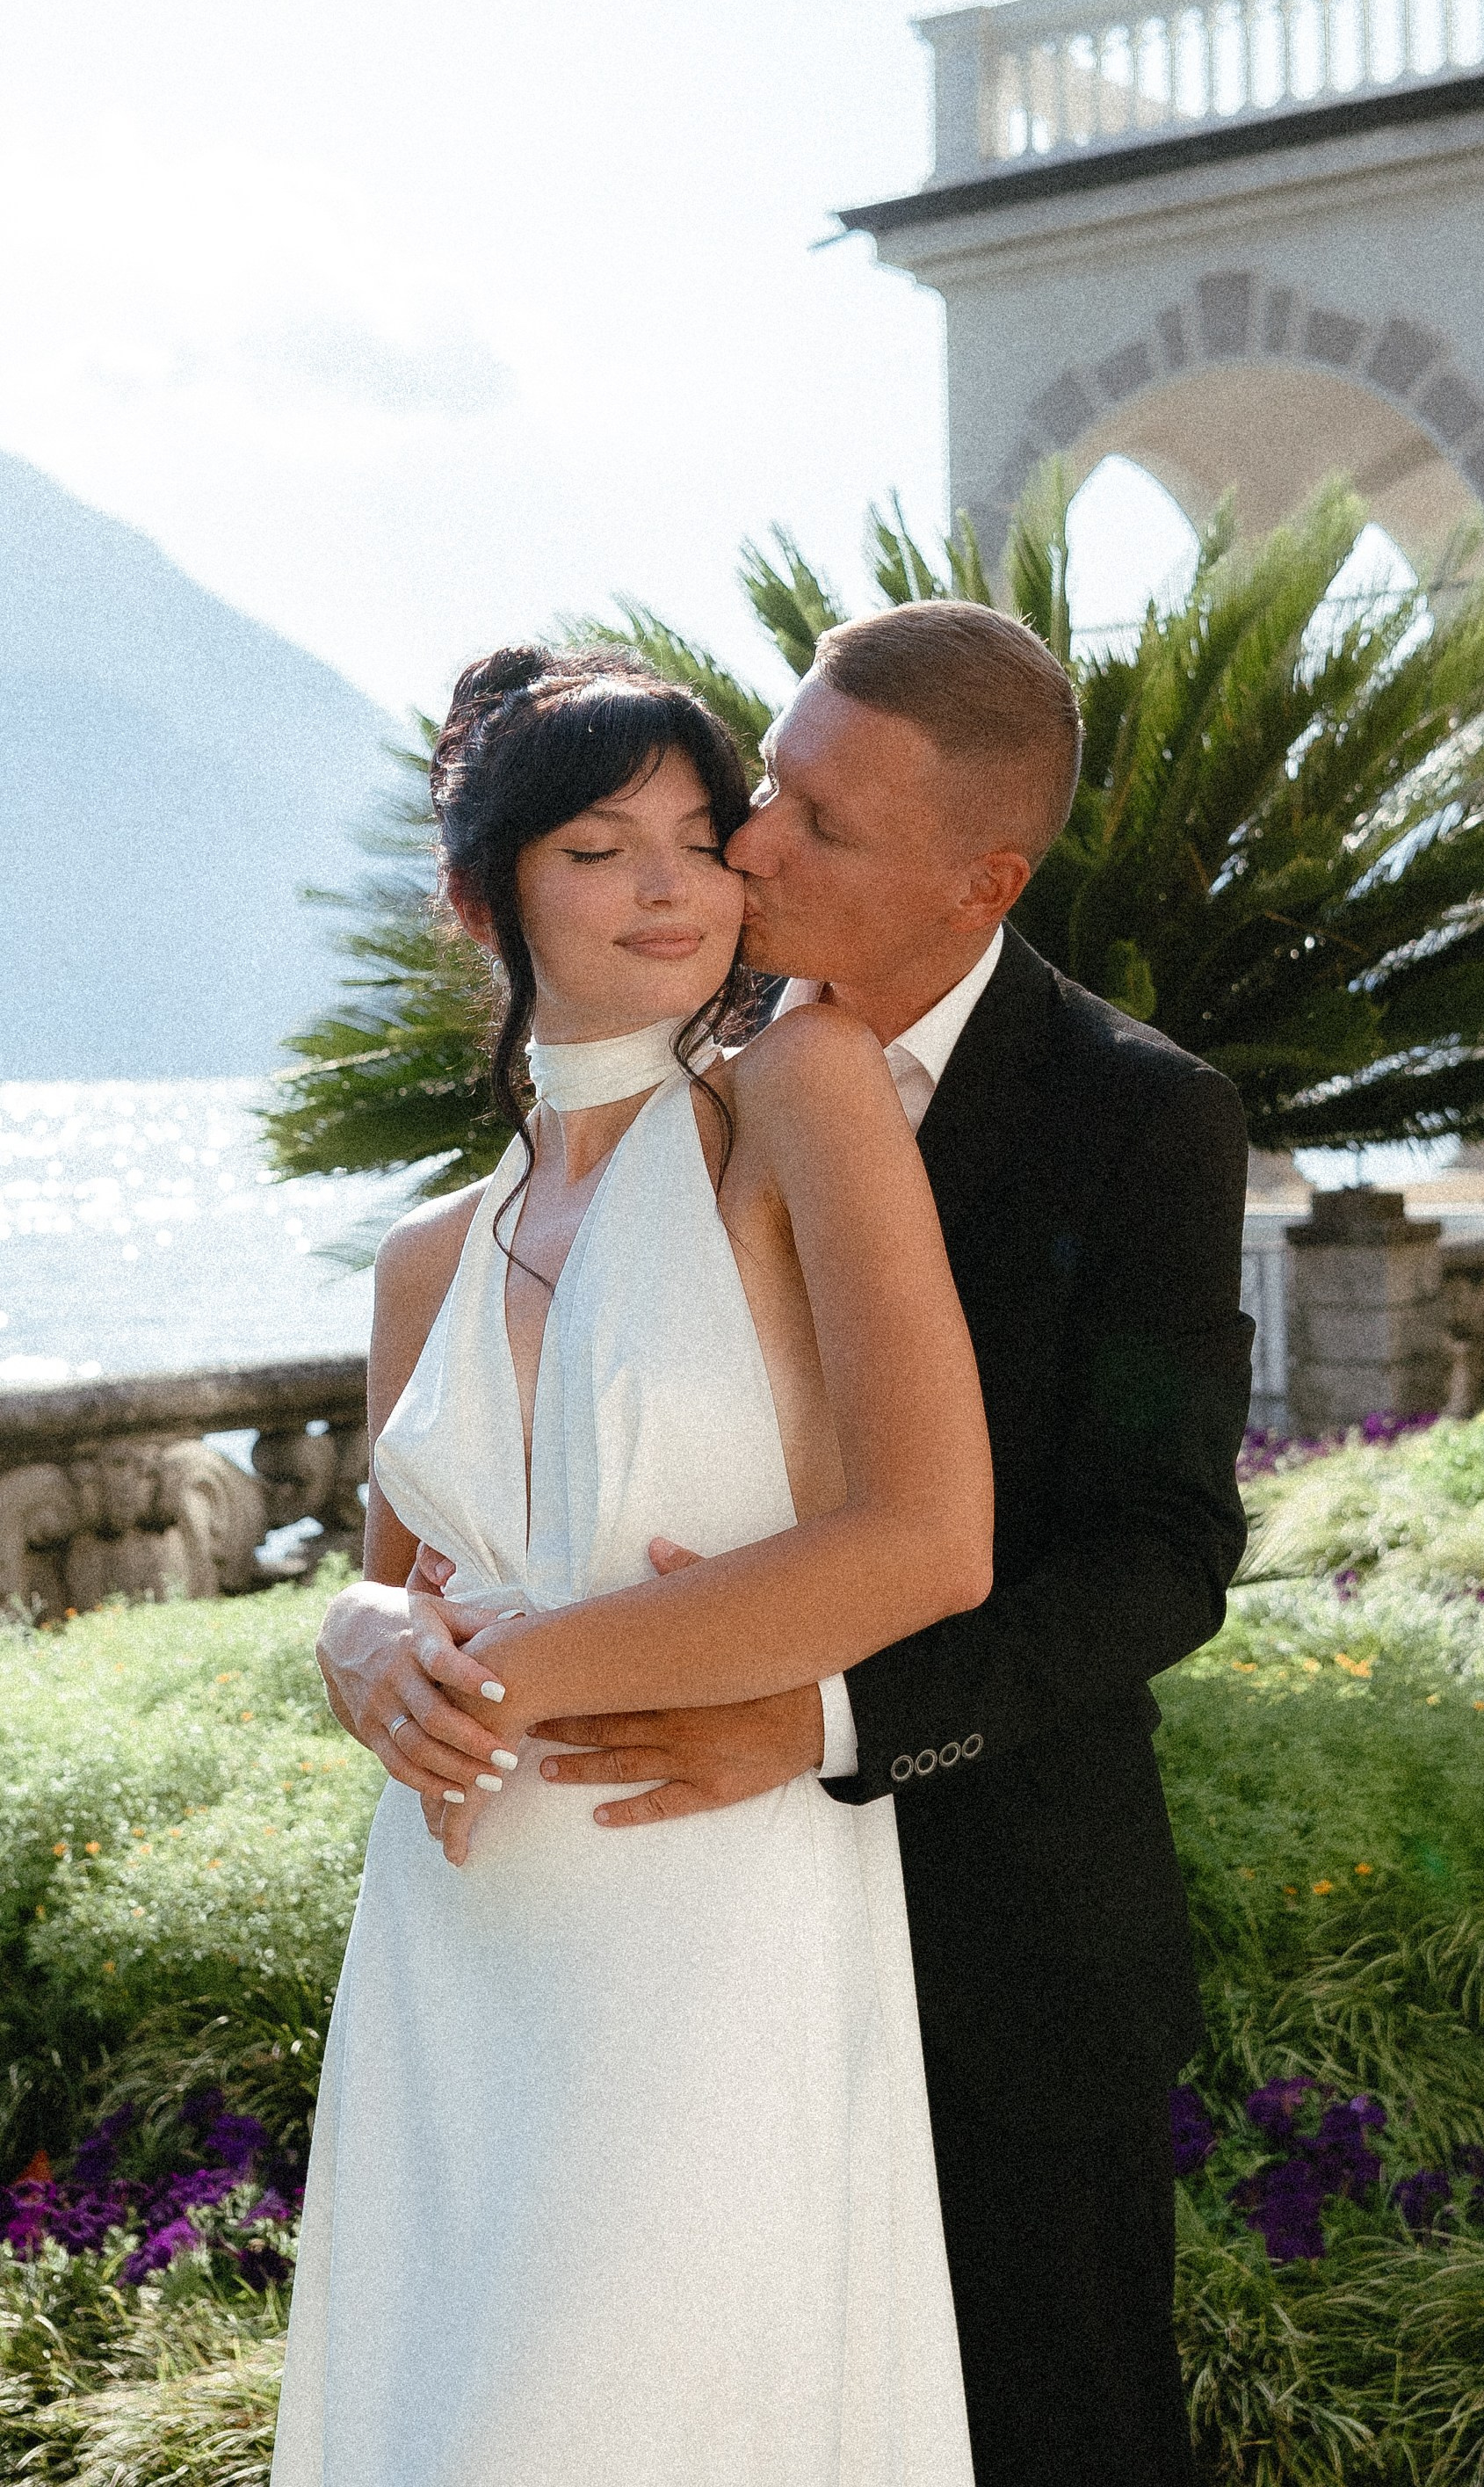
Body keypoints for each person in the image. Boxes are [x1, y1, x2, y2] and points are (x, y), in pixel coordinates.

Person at [320, 599, 1256, 2487]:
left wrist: (819, 1718)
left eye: (802, 826)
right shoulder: (511, 1198)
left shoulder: (1126, 1120)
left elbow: (1152, 1551)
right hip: (517, 1934)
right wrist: (355, 1636)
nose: (739, 855)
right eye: (761, 794)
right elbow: (398, 1551)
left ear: (975, 878)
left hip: (981, 1908)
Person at [277, 643, 992, 2487]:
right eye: (600, 847)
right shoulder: (433, 1255)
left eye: (698, 831)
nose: (675, 885)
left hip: (703, 1912)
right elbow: (399, 1583)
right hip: (452, 1935)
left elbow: (928, 1541)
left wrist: (535, 1668)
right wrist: (355, 1637)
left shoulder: (797, 1097)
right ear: (481, 894)